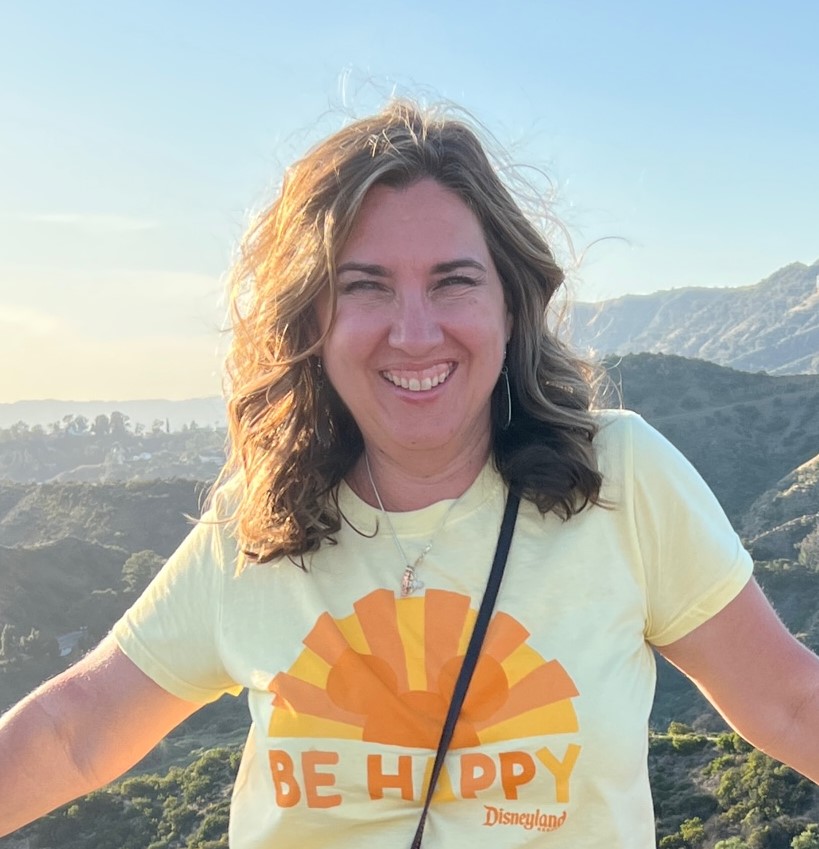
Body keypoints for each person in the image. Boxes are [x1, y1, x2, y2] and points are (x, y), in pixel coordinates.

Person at [1, 100, 817, 849]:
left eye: (452, 281)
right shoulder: (261, 519)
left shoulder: (618, 478)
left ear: (509, 304)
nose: (415, 332)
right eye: (366, 287)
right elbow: (75, 732)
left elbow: (787, 703)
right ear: (313, 320)